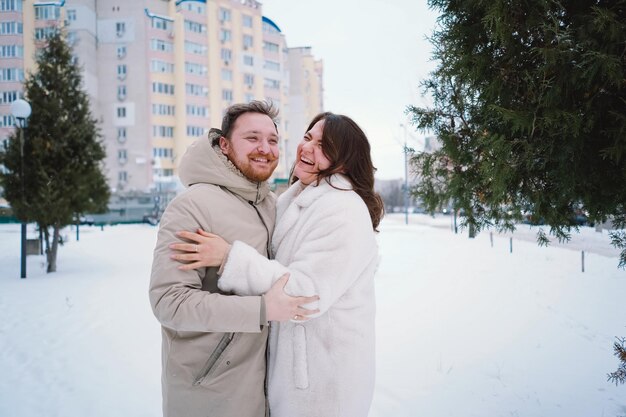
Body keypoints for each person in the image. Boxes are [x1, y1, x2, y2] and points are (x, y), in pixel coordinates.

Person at [170, 112, 385, 417]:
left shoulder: (343, 210)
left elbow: (306, 293)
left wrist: (229, 258)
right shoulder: (294, 198)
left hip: (325, 386)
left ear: (345, 160)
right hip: (293, 377)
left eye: (323, 145)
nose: (307, 148)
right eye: (307, 137)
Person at [149, 101, 318, 417]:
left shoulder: (271, 205)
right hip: (210, 394)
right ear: (224, 145)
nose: (265, 149)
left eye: (272, 140)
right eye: (252, 138)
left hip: (264, 392)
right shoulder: (192, 206)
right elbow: (169, 302)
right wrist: (262, 309)